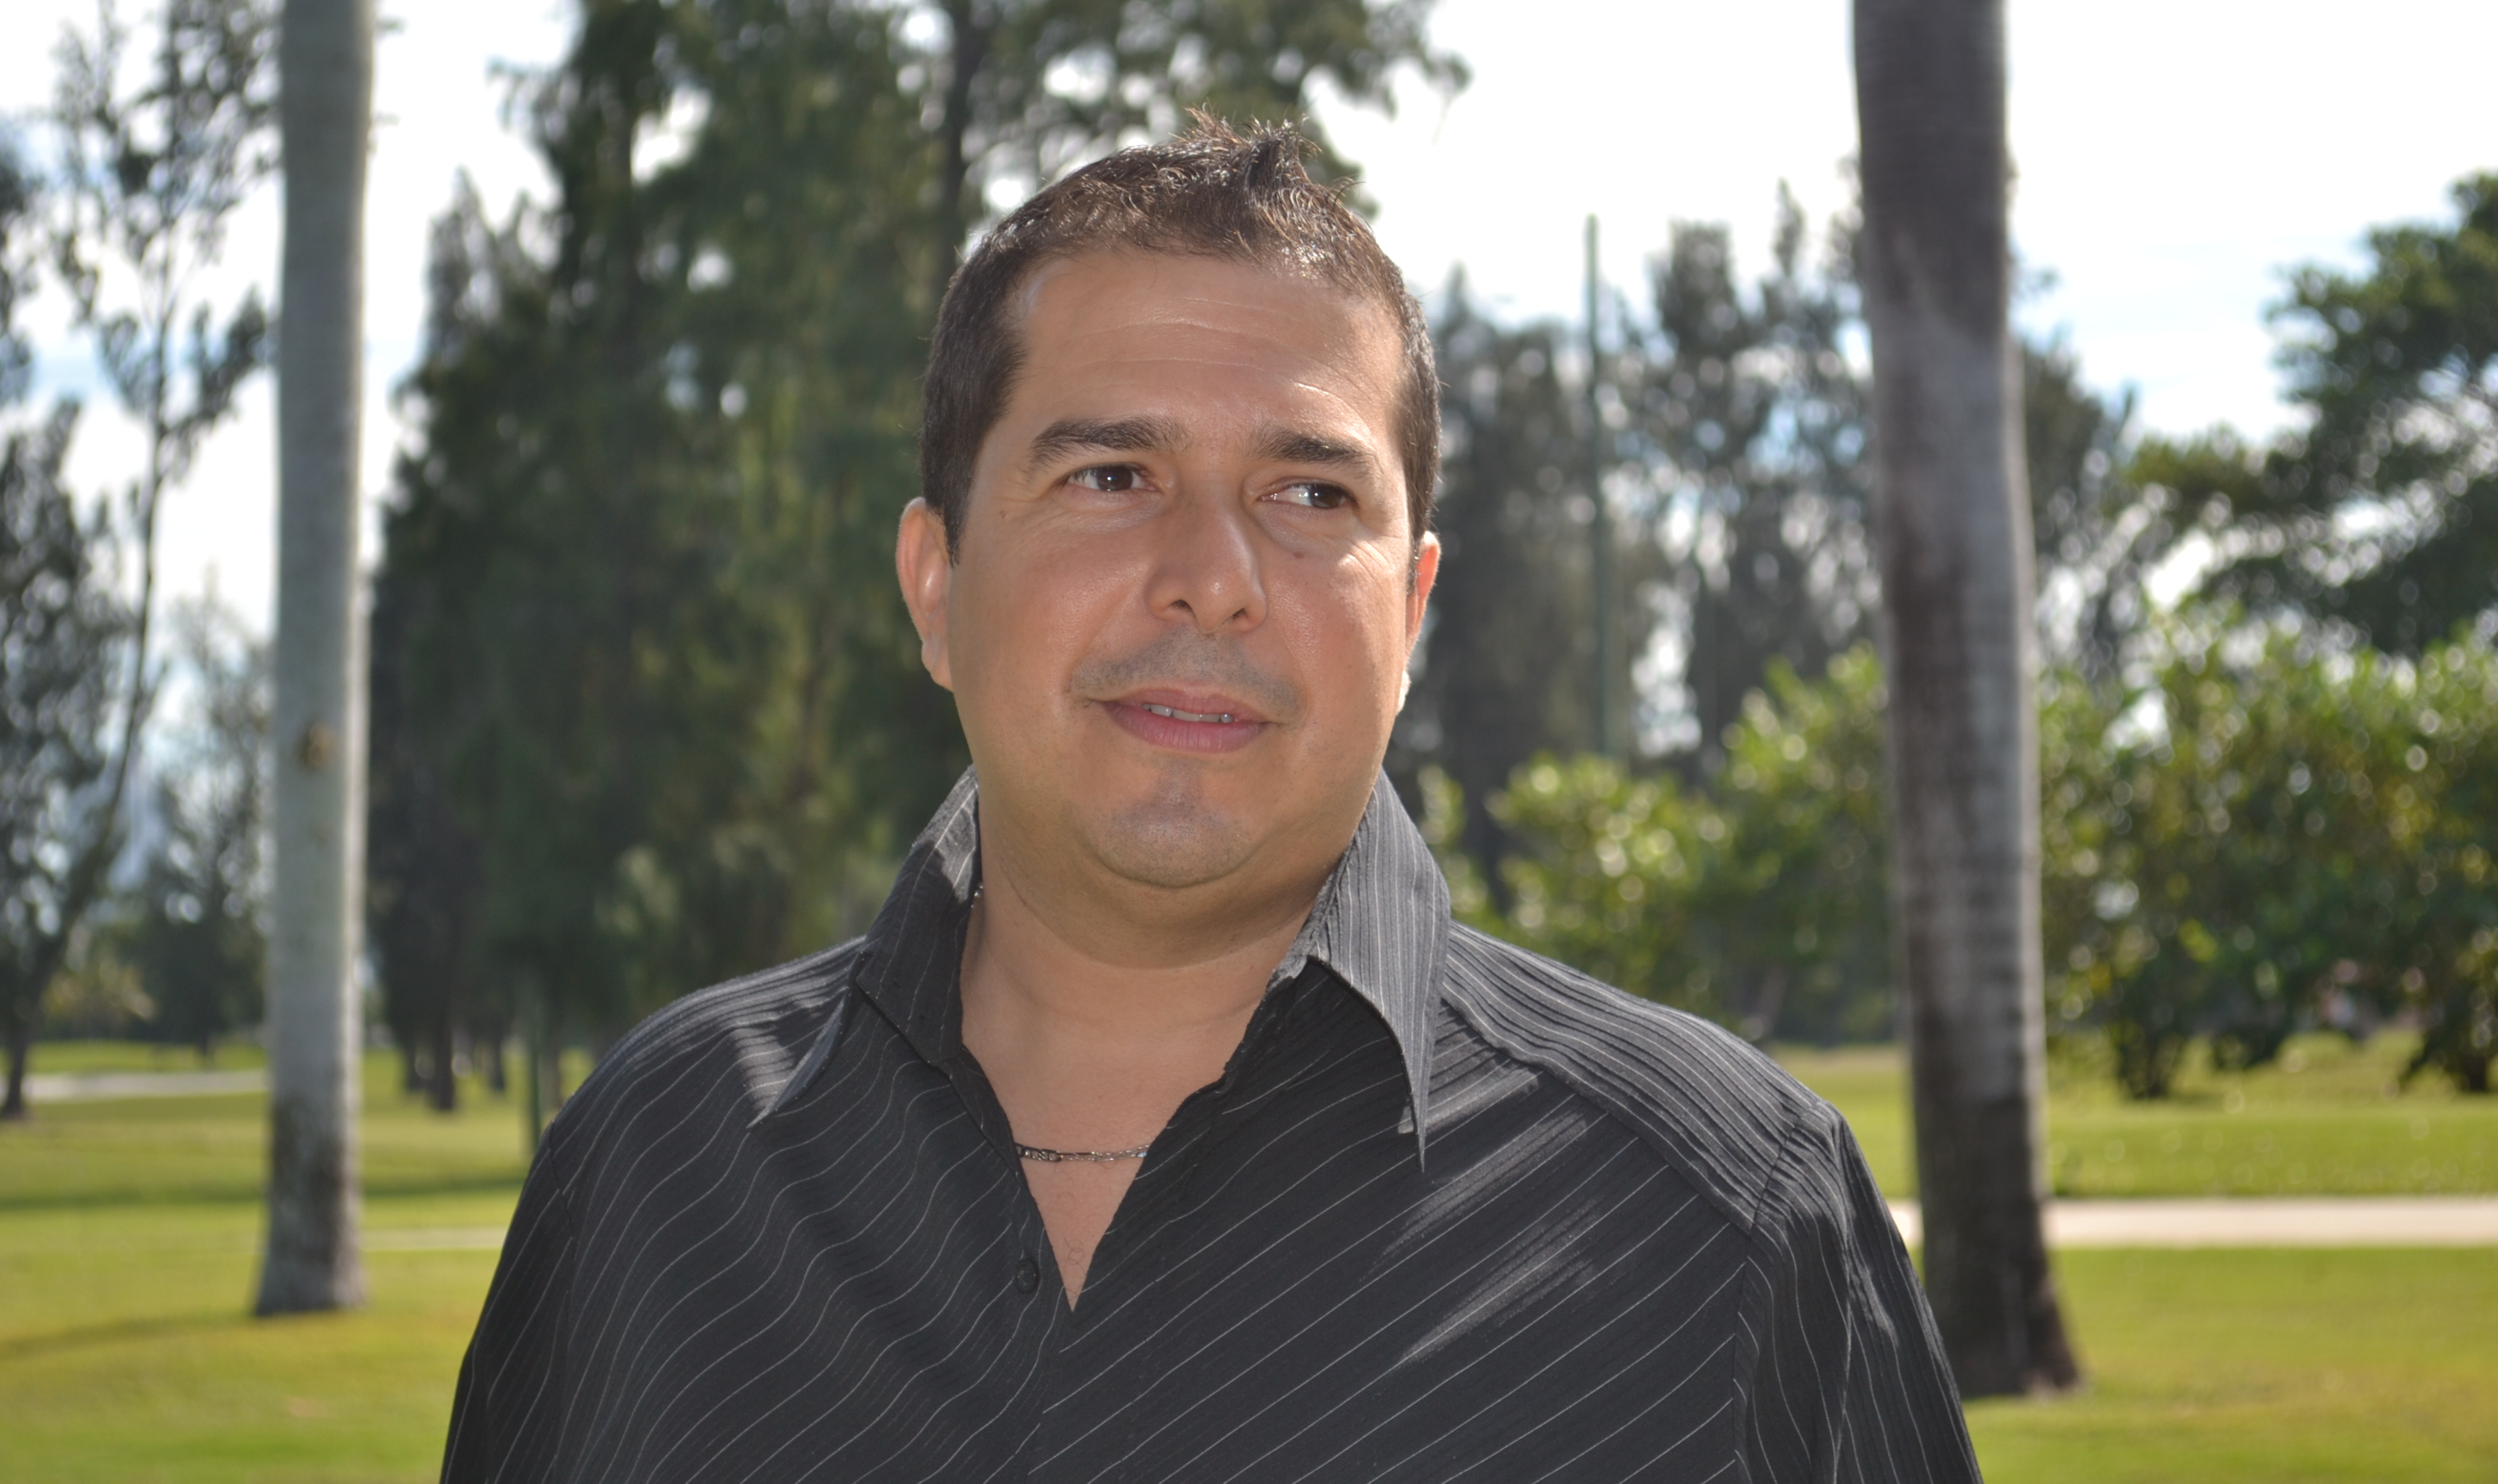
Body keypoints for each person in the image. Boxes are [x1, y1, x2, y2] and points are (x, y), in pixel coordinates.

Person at [441, 120, 1980, 1483]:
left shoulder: (1726, 1228)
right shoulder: (652, 1176)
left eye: (1310, 496)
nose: (1212, 579)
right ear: (936, 583)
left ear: (1411, 614)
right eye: (1111, 476)